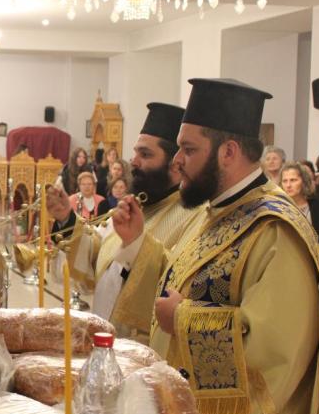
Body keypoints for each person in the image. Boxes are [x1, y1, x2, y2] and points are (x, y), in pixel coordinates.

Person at [112, 79, 319, 414]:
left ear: (228, 151)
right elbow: (176, 283)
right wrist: (137, 246)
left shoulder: (275, 229)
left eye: (188, 149)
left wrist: (183, 319)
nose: (178, 161)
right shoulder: (215, 211)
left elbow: (273, 351)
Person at [47, 102, 203, 343]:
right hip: (104, 340)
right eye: (136, 152)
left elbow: (178, 283)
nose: (134, 161)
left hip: (142, 349)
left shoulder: (194, 215)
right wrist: (66, 218)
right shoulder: (138, 203)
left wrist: (137, 242)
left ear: (175, 164)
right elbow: (97, 255)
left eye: (145, 154)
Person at [281, 162, 319, 255]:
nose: (288, 185)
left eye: (293, 180)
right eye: (285, 181)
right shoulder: (278, 207)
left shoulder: (318, 206)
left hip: (317, 258)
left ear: (304, 182)